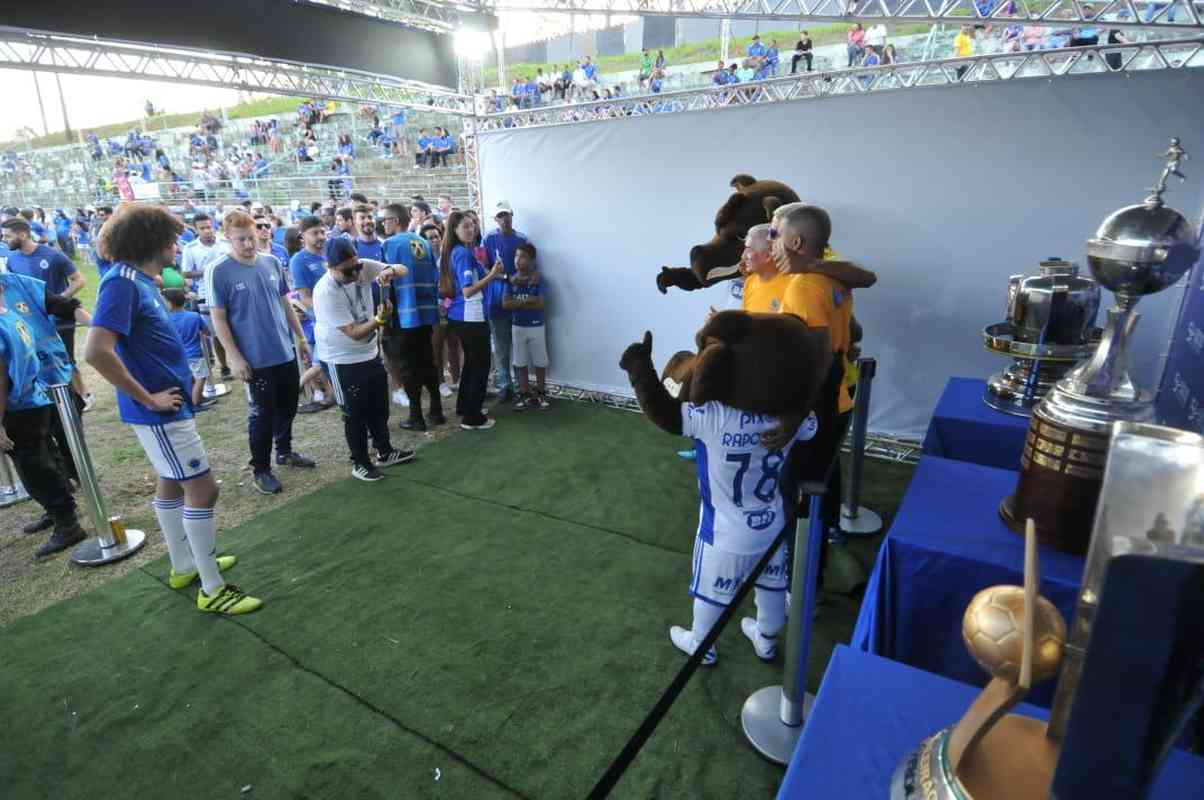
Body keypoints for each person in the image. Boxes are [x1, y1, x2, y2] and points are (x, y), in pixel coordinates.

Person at [86, 205, 261, 614]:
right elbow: (96, 351)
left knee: (171, 482)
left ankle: (185, 565)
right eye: (171, 237)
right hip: (159, 412)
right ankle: (212, 588)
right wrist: (149, 398)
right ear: (151, 242)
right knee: (204, 489)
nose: (177, 244)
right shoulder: (122, 284)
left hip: (167, 409)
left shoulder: (138, 279)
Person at [618, 331, 818, 666]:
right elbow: (811, 423)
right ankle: (767, 640)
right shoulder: (789, 418)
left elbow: (664, 413)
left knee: (711, 592)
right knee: (771, 586)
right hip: (772, 524)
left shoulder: (712, 416)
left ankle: (702, 643)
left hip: (723, 532)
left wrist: (640, 370)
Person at [207, 209, 316, 496]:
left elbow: (284, 303)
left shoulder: (270, 263)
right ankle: (261, 469)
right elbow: (218, 318)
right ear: (228, 238)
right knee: (262, 415)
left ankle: (285, 451)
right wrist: (234, 356)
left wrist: (301, 339)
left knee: (289, 405)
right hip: (254, 359)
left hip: (283, 350)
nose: (247, 244)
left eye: (251, 238)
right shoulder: (219, 270)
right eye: (240, 239)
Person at [0, 267, 91, 556]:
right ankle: (60, 512)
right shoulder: (9, 316)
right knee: (45, 457)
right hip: (32, 398)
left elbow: (2, 378)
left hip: (20, 405)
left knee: (34, 466)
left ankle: (66, 523)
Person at [312, 237, 415, 481]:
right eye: (348, 270)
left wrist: (388, 272)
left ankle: (385, 451)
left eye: (357, 266)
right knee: (354, 412)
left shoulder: (361, 267)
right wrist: (379, 320)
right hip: (341, 358)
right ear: (330, 267)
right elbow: (355, 334)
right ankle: (359, 461)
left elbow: (403, 269)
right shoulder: (325, 291)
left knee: (379, 405)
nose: (356, 273)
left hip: (368, 353)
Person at [1, 217, 90, 406]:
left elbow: (79, 280)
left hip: (59, 315)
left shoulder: (52, 255)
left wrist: (60, 300)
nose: (4, 239)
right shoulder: (11, 260)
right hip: (33, 322)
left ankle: (82, 395)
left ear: (22, 234)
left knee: (66, 358)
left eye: (7, 236)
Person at [381, 205, 444, 431]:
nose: (383, 223)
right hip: (426, 314)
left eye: (386, 219)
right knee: (428, 362)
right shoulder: (424, 243)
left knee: (408, 367)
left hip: (403, 316)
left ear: (396, 220)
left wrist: (385, 317)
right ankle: (436, 410)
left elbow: (385, 283)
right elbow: (434, 277)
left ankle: (416, 415)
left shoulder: (390, 244)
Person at [441, 211, 503, 430]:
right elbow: (467, 291)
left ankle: (466, 407)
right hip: (470, 316)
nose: (471, 229)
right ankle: (472, 418)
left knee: (472, 363)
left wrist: (492, 273)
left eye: (473, 225)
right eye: (465, 226)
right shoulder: (463, 254)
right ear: (455, 230)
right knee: (480, 364)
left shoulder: (461, 252)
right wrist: (492, 275)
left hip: (466, 316)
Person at [287, 216, 335, 410]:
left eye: (322, 232)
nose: (320, 236)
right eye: (315, 233)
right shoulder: (298, 261)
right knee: (319, 361)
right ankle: (292, 393)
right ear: (302, 236)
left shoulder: (330, 254)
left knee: (324, 361)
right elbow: (304, 297)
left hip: (338, 317)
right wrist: (324, 314)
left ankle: (332, 393)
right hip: (320, 320)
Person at [482, 202, 527, 403]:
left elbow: (530, 267)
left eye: (507, 215)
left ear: (512, 215)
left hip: (518, 299)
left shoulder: (522, 239)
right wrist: (506, 278)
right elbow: (483, 269)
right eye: (500, 216)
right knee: (500, 347)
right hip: (495, 299)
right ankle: (504, 386)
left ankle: (520, 387)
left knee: (518, 345)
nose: (504, 219)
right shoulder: (488, 238)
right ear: (495, 219)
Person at [503, 243, 549, 410]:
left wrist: (518, 303)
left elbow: (540, 304)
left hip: (536, 325)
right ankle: (523, 394)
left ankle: (542, 394)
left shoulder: (538, 278)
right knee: (520, 362)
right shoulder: (511, 279)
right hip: (518, 326)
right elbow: (506, 304)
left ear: (531, 260)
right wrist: (526, 301)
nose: (517, 260)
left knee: (540, 362)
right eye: (516, 256)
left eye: (522, 257)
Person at [421, 222, 459, 396]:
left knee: (454, 344)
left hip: (451, 306)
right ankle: (440, 382)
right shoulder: (422, 262)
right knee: (437, 346)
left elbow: (454, 285)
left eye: (437, 236)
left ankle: (457, 379)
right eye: (430, 238)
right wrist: (438, 305)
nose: (435, 240)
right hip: (433, 309)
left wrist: (447, 304)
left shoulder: (448, 258)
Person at [164, 288, 215, 409]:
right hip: (195, 354)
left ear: (170, 303)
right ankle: (195, 403)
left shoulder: (167, 320)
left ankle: (197, 397)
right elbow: (207, 333)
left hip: (179, 356)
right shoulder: (194, 316)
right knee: (201, 378)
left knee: (191, 378)